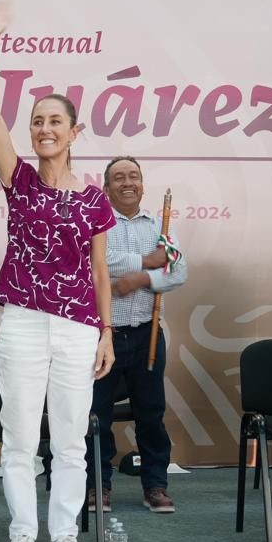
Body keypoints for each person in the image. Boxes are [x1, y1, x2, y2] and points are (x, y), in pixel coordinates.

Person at [0, 2, 116, 542]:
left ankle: (64, 535)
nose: (43, 128)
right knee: (18, 438)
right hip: (25, 323)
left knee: (70, 442)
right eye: (37, 121)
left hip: (80, 328)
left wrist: (105, 331)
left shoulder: (96, 199)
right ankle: (21, 533)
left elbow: (101, 272)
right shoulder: (20, 180)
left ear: (75, 131)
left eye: (55, 121)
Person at [85, 156, 185, 514]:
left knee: (151, 413)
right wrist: (145, 263)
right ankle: (99, 486)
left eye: (133, 176)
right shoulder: (96, 221)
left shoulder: (160, 226)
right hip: (101, 336)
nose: (127, 182)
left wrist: (141, 280)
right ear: (107, 187)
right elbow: (96, 260)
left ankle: (155, 485)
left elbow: (178, 271)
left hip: (147, 334)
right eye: (118, 178)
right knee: (97, 416)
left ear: (142, 184)